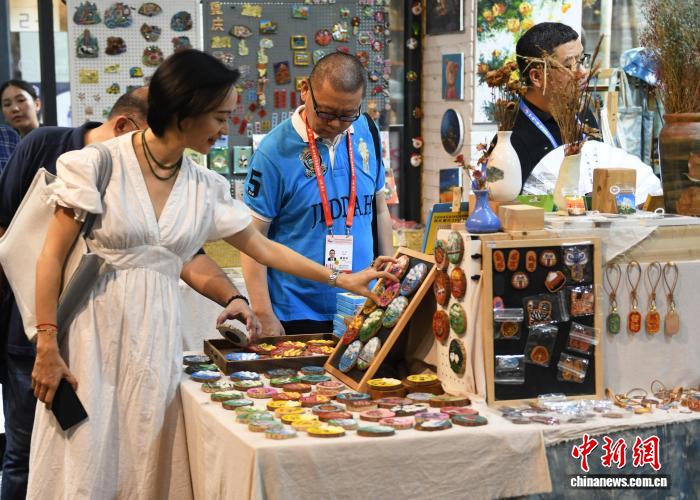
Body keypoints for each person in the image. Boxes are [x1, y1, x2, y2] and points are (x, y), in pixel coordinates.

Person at [28, 49, 392, 499]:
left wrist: (340, 279)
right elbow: (50, 258)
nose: (225, 129)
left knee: (145, 458)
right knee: (86, 460)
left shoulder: (202, 185)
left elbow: (260, 247)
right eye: (219, 117)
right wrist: (47, 343)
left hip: (157, 341)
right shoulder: (98, 164)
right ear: (185, 112)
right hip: (92, 339)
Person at [0, 87, 260, 500]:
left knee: (119, 454)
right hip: (35, 329)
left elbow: (181, 254)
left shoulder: (172, 179)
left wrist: (234, 296)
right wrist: (42, 336)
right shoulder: (53, 148)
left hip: (121, 345)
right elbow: (14, 235)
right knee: (28, 453)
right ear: (126, 127)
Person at [242, 52, 393, 336]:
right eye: (326, 112)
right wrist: (263, 312)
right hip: (297, 312)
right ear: (305, 91)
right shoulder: (273, 152)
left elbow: (380, 209)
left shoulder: (367, 131)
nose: (336, 124)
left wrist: (390, 282)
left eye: (347, 114)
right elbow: (252, 240)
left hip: (364, 304)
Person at [508, 22, 598, 187]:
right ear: (537, 77)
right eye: (570, 65)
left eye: (582, 60)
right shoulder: (512, 141)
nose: (583, 72)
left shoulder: (583, 114)